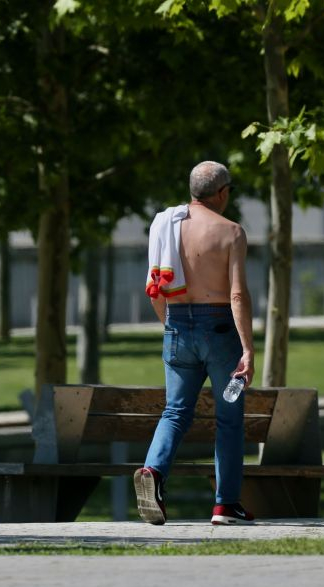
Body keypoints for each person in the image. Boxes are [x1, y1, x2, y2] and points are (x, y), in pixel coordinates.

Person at [134, 161, 255, 526]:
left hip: (177, 324)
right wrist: (248, 349)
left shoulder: (165, 225)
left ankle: (154, 471)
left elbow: (155, 289)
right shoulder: (231, 232)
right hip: (219, 329)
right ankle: (225, 505)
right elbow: (237, 295)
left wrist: (171, 327)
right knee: (229, 419)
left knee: (175, 412)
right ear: (221, 193)